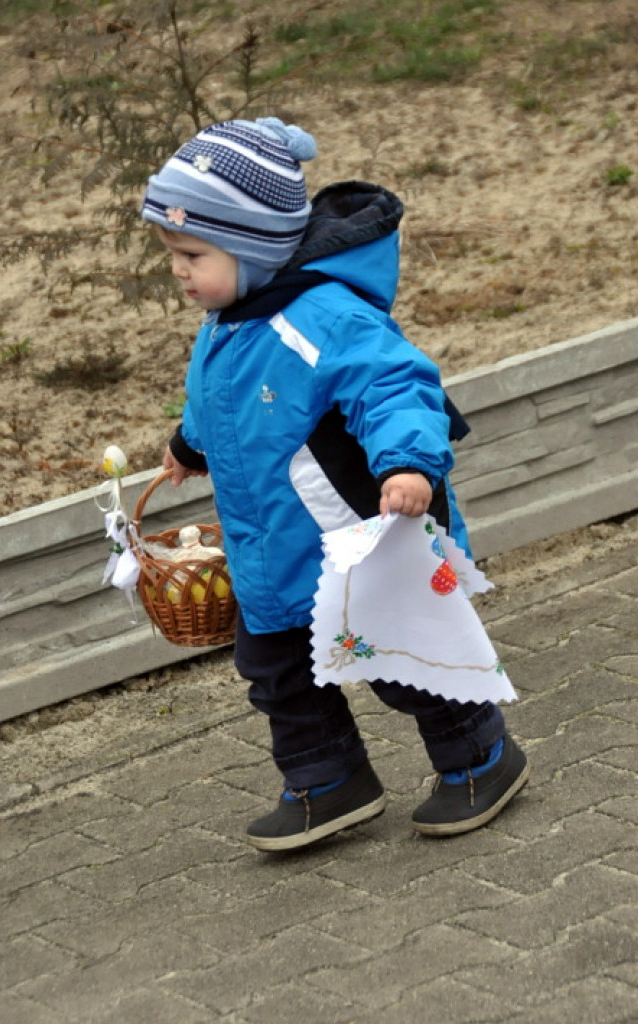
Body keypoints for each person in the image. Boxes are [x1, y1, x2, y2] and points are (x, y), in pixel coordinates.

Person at [141, 117, 529, 852]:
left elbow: (396, 387)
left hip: (353, 542)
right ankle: (328, 781)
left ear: (252, 246)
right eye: (172, 255)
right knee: (277, 673)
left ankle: (481, 758)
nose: (179, 271)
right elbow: (215, 397)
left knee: (402, 665)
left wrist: (408, 464)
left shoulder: (322, 317)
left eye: (192, 253)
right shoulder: (228, 318)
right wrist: (187, 444)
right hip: (273, 547)